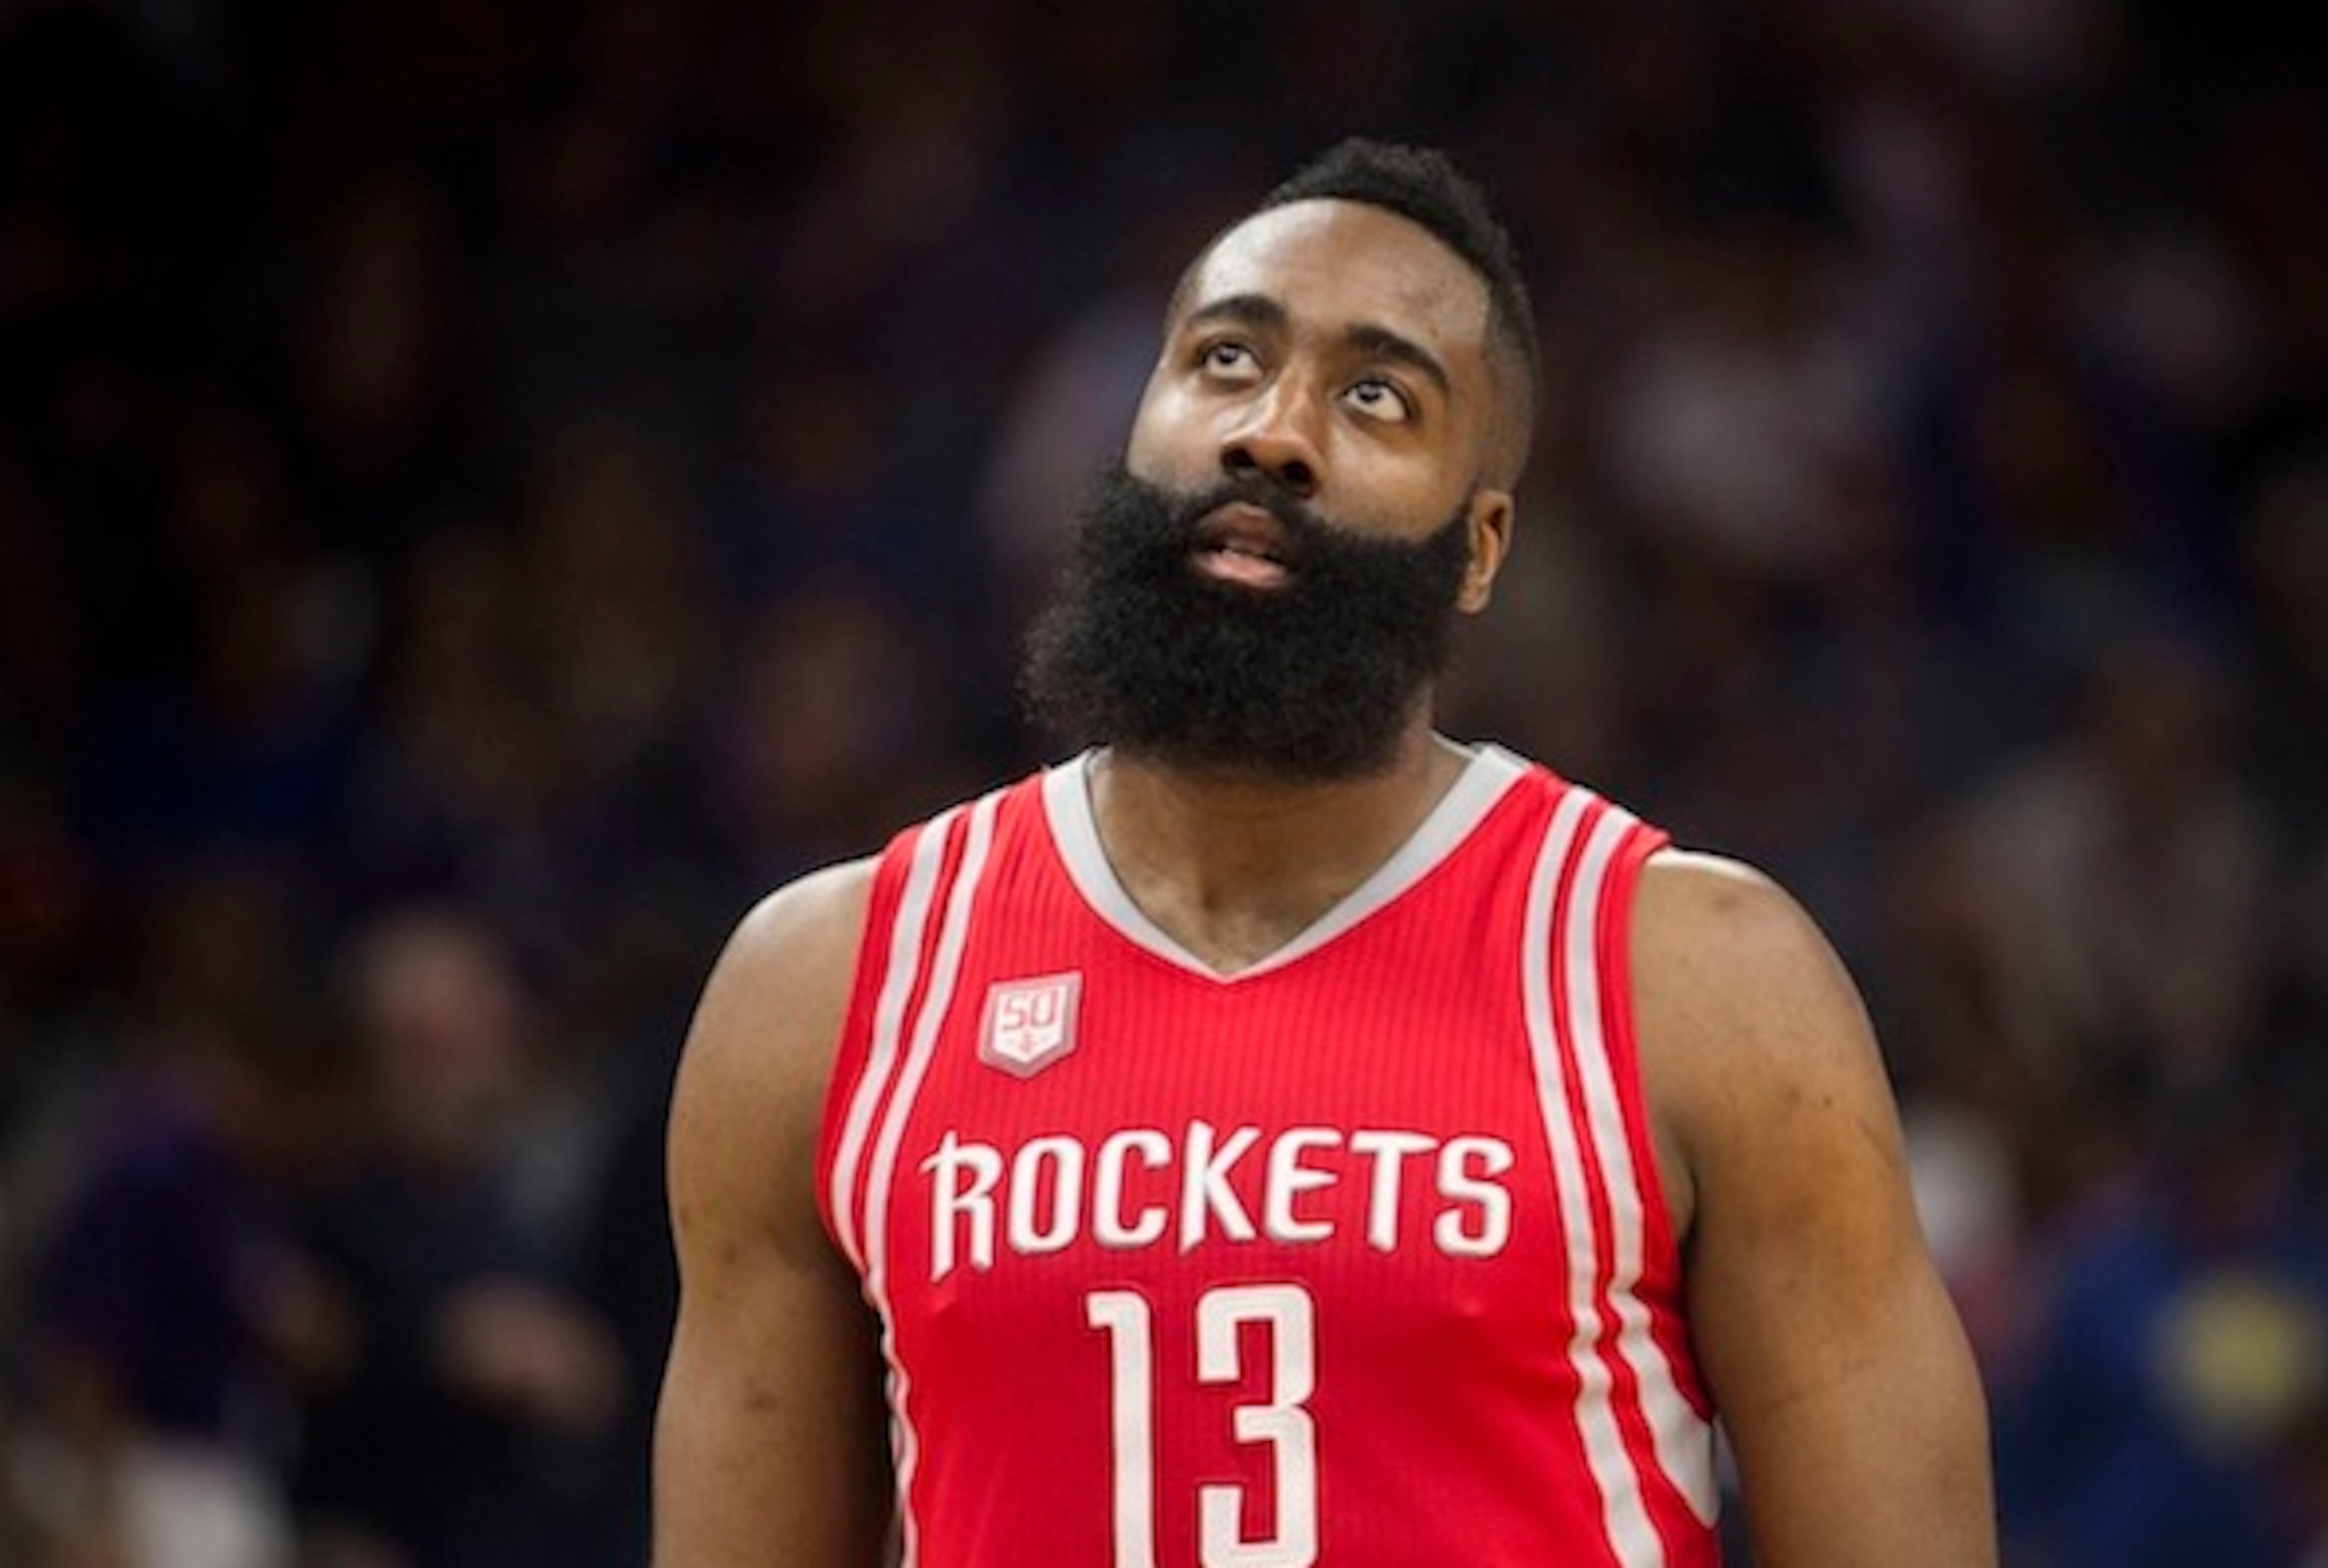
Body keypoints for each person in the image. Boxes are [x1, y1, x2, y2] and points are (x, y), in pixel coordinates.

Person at [652, 139, 1994, 1566]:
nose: (1273, 433)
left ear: (1479, 549)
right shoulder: (824, 988)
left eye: (1376, 396)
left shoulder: (1701, 980)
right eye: (1225, 361)